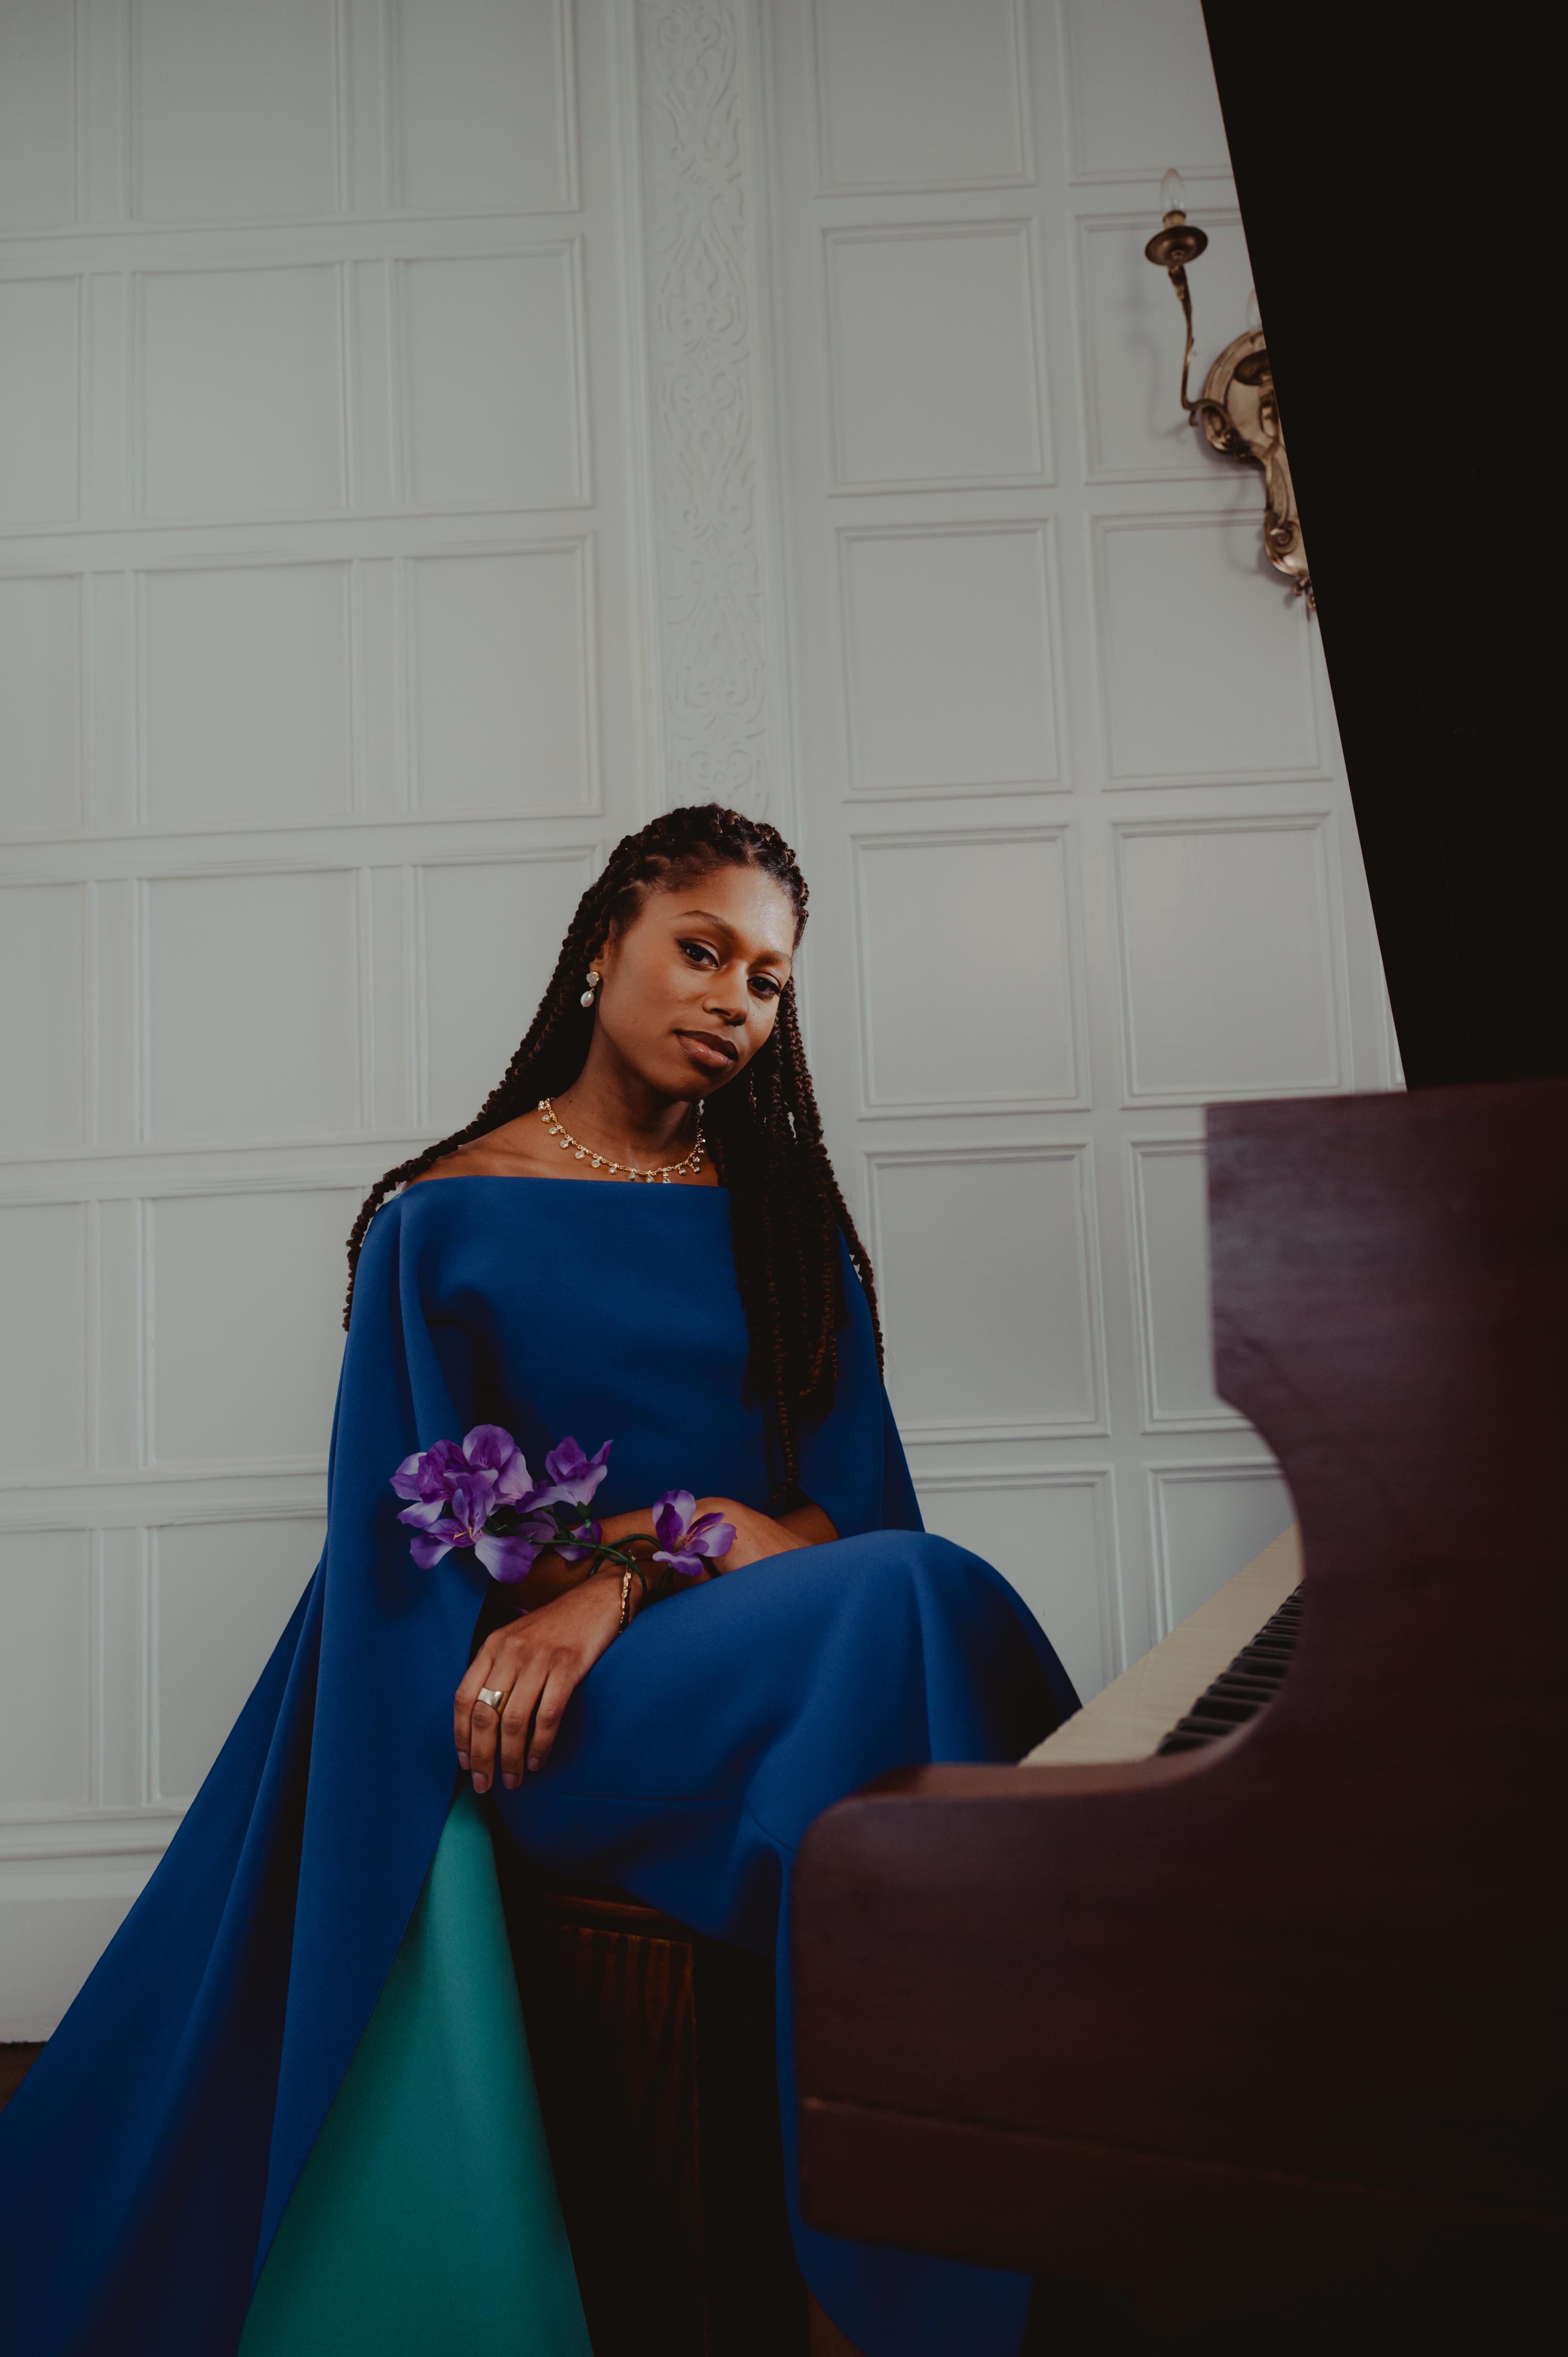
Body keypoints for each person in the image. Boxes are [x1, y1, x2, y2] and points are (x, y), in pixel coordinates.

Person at [0, 805, 1077, 2357]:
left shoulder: (788, 1237)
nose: (732, 1001)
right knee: (906, 1624)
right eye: (700, 950)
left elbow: (850, 1522)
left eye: (768, 982)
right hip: (553, 1719)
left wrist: (630, 1563)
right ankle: (935, 2281)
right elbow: (422, 1568)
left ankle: (907, 2275)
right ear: (601, 953)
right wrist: (663, 1568)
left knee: (908, 1602)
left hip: (771, 1665)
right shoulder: (440, 1225)